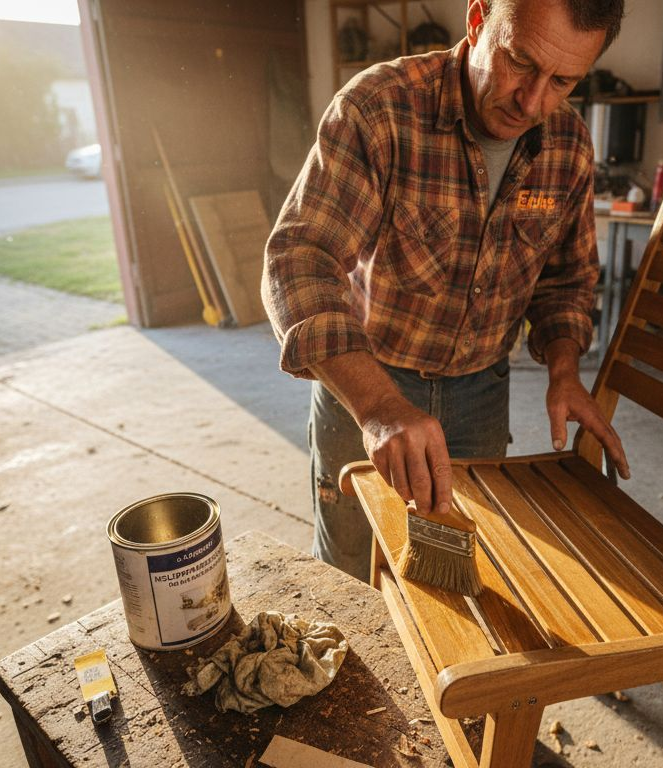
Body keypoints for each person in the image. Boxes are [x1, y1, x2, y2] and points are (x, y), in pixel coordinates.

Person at [262, 0, 629, 582]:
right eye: (518, 63)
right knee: (351, 572)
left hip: (482, 393)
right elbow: (300, 261)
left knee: (457, 576)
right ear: (478, 19)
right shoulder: (380, 107)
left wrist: (564, 370)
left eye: (562, 81)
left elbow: (566, 282)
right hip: (369, 378)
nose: (532, 102)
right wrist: (380, 408)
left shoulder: (569, 145)